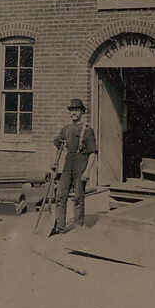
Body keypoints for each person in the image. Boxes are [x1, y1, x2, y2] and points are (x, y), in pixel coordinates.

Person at [52, 98, 97, 234]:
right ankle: (59, 226)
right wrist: (54, 162)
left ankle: (78, 226)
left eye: (77, 110)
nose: (74, 113)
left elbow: (93, 153)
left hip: (81, 166)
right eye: (72, 110)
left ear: (82, 112)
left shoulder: (87, 130)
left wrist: (87, 172)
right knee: (60, 195)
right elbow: (57, 144)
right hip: (67, 165)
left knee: (78, 197)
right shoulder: (66, 129)